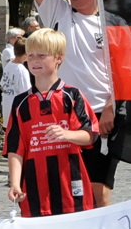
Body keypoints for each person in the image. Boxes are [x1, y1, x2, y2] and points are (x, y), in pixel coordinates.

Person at [30, 0, 119, 207]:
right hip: (64, 112)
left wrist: (111, 106)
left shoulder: (112, 23)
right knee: (66, 184)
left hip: (100, 112)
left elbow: (124, 71)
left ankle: (102, 227)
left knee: (98, 187)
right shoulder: (58, 11)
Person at [6, 28, 97, 217]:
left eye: (42, 55)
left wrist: (67, 134)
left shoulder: (72, 95)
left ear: (58, 58)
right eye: (31, 55)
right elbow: (15, 148)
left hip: (70, 181)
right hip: (34, 185)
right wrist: (14, 183)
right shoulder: (21, 102)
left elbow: (91, 135)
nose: (35, 60)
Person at [0, 33, 30, 133]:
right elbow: (26, 94)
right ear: (26, 53)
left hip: (7, 108)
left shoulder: (9, 65)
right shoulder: (21, 70)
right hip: (17, 112)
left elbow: (2, 85)